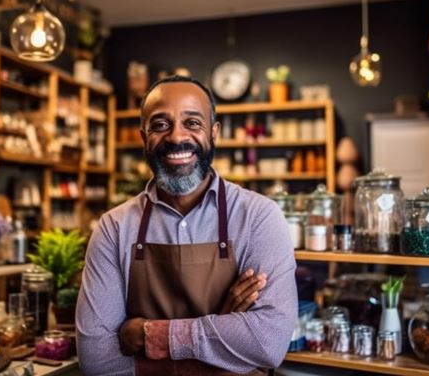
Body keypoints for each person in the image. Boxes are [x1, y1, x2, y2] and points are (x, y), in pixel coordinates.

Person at [76, 75, 297, 375]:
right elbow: (97, 360)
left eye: (192, 123)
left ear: (214, 132)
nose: (176, 137)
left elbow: (267, 343)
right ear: (144, 138)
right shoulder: (113, 228)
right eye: (160, 125)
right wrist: (223, 325)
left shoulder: (259, 218)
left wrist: (149, 335)